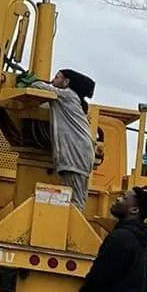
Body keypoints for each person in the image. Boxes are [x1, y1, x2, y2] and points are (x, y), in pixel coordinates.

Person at [46, 66, 98, 208]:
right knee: (73, 200)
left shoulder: (67, 95)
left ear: (66, 82)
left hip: (76, 157)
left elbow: (42, 88)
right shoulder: (70, 99)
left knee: (74, 203)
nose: (52, 80)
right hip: (77, 156)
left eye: (57, 77)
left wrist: (27, 81)